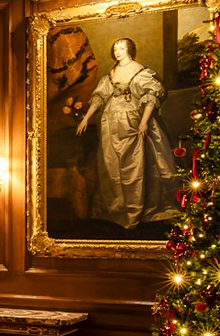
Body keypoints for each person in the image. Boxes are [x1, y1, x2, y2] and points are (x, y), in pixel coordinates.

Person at [74, 37, 178, 230]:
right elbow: (99, 97)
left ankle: (137, 210)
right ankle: (119, 208)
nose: (118, 51)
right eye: (115, 48)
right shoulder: (111, 74)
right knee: (112, 165)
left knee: (136, 165)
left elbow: (151, 97)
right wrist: (86, 117)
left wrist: (144, 122)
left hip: (134, 122)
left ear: (130, 49)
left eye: (122, 48)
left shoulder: (140, 72)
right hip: (110, 124)